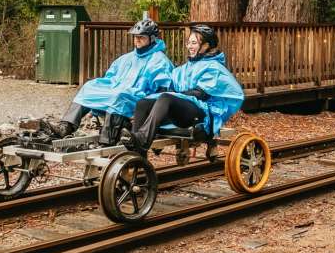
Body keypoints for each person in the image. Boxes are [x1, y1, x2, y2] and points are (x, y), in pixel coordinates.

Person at [47, 15, 173, 145]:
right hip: (117, 91)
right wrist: (104, 87)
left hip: (137, 98)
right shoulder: (127, 58)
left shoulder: (160, 60)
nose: (137, 40)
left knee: (119, 95)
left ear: (152, 39)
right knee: (89, 86)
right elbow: (110, 77)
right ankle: (66, 126)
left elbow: (162, 90)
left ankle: (107, 139)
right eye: (136, 37)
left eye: (141, 37)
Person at [129, 24, 244, 152]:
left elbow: (200, 94)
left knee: (166, 98)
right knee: (143, 103)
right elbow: (170, 86)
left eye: (193, 43)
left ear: (205, 46)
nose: (189, 46)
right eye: (188, 43)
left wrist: (173, 95)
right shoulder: (185, 68)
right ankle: (136, 151)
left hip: (201, 113)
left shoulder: (214, 67)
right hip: (182, 110)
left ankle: (142, 139)